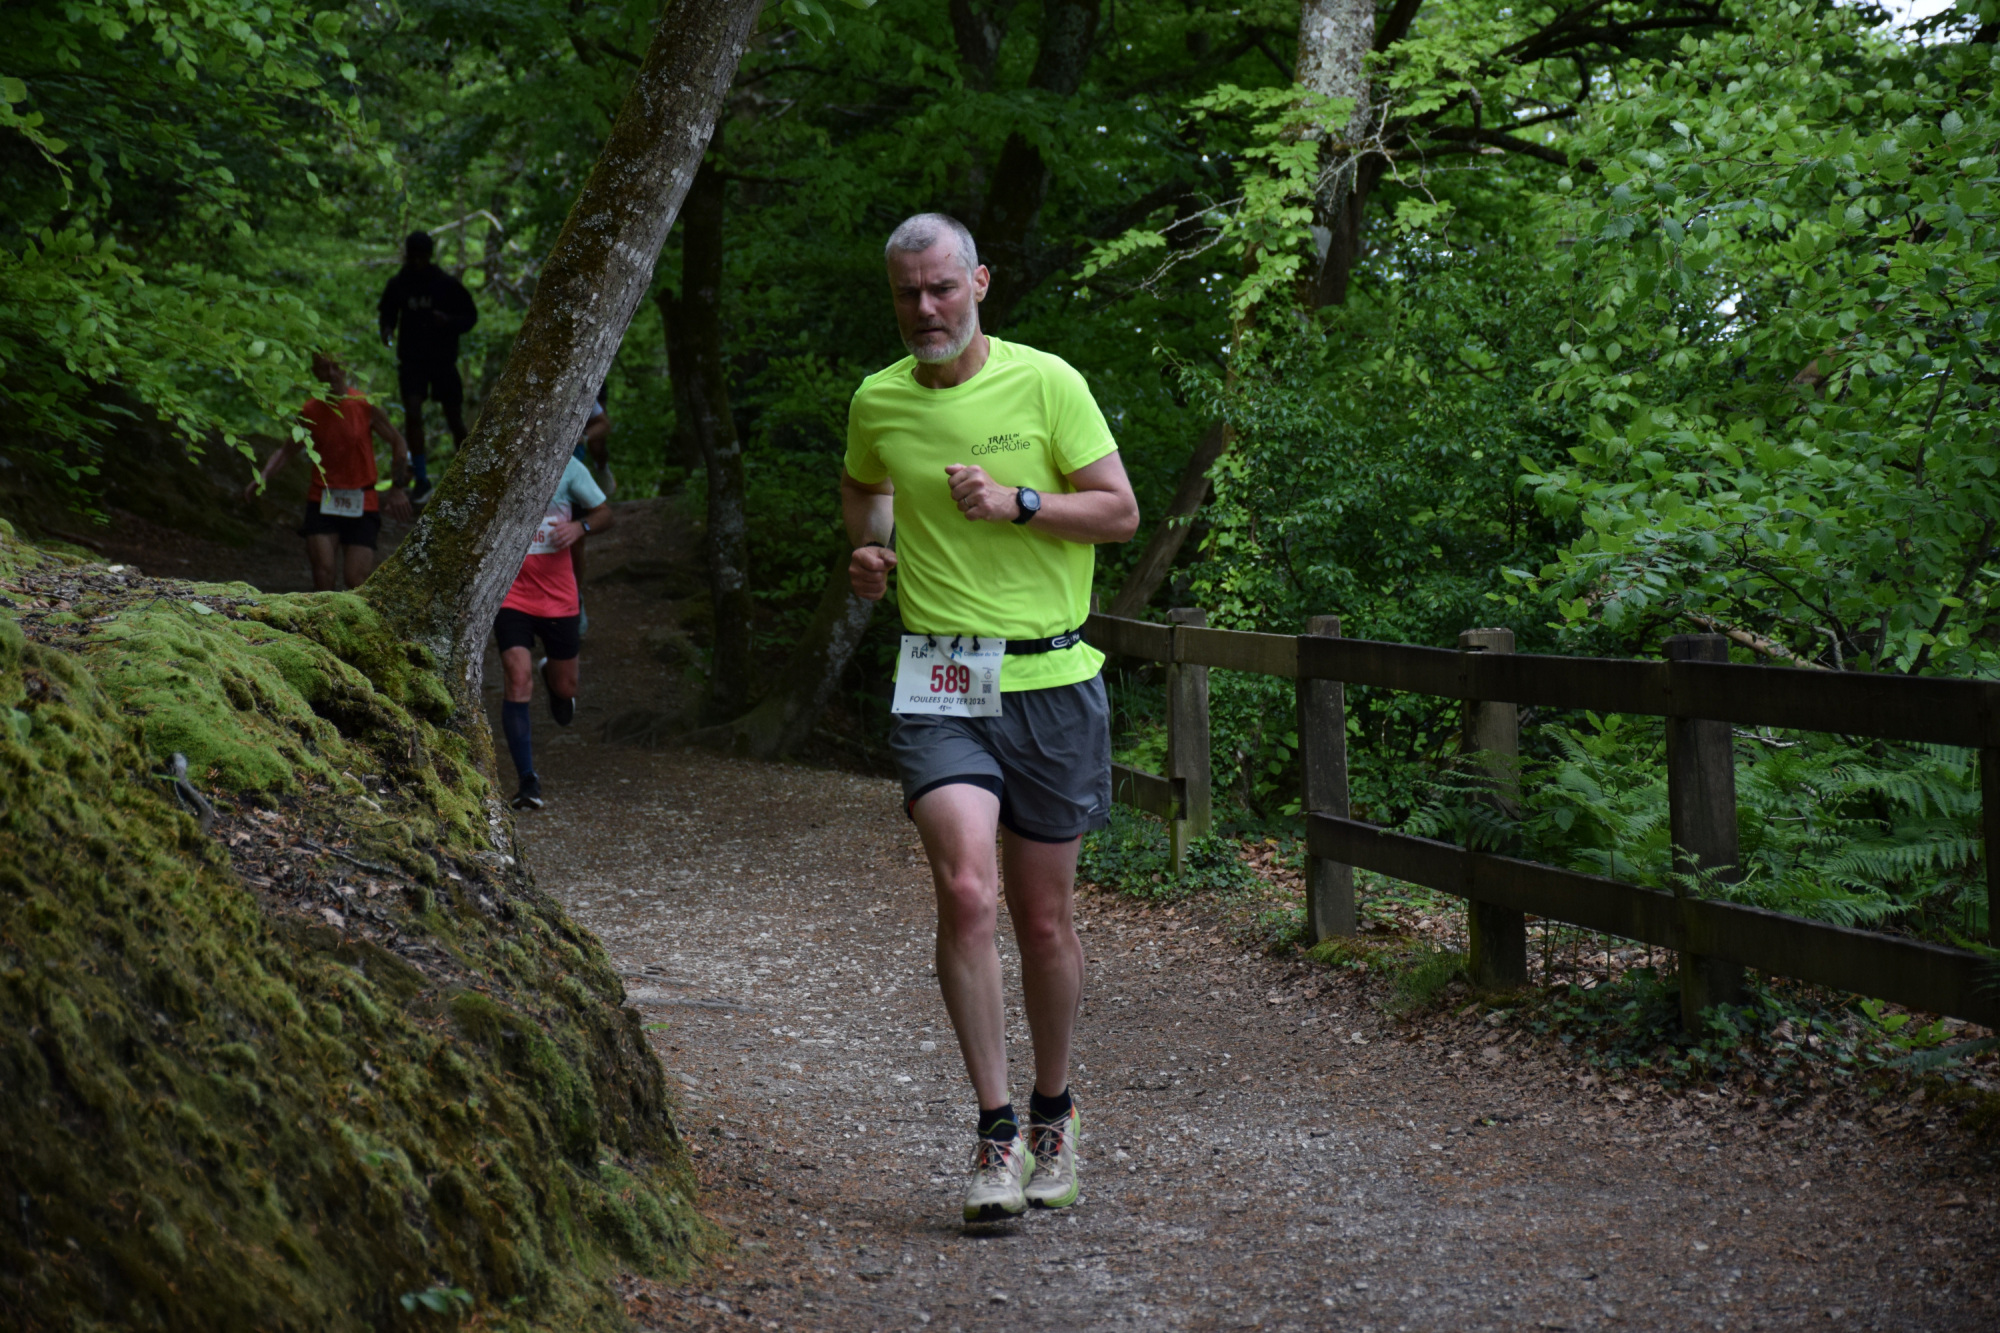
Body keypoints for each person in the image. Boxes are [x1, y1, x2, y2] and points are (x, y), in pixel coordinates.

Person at [842, 213, 1139, 1224]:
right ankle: (995, 1130)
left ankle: (1055, 1110)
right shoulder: (878, 399)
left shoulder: (1047, 383)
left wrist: (1020, 503)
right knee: (967, 890)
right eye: (906, 294)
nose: (924, 309)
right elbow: (864, 487)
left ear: (978, 282)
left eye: (940, 288)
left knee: (1042, 917)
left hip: (1051, 674)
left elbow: (1118, 512)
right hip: (941, 675)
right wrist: (869, 550)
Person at [494, 453, 613, 810]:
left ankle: (553, 678)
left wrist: (580, 527)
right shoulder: (501, 457)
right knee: (517, 677)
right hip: (511, 593)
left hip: (559, 596)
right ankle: (527, 781)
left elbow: (605, 513)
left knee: (566, 687)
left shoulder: (569, 467)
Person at [244, 352, 413, 590]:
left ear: (345, 368)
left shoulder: (364, 404)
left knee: (355, 579)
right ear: (316, 372)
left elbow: (398, 441)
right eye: (324, 368)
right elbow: (286, 451)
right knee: (323, 572)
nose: (331, 373)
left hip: (362, 500)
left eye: (335, 367)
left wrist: (398, 488)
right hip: (322, 499)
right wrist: (262, 477)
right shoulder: (310, 410)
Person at [377, 231, 478, 504]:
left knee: (454, 416)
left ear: (429, 255)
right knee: (413, 412)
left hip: (443, 360)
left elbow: (470, 316)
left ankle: (470, 473)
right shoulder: (399, 284)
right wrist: (387, 330)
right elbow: (387, 313)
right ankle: (421, 479)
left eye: (421, 256)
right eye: (413, 256)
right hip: (412, 361)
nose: (417, 262)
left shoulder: (445, 284)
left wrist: (448, 321)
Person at [567, 385, 613, 637]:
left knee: (575, 544)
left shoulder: (579, 389)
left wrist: (583, 436)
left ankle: (576, 598)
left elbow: (603, 423)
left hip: (571, 472)